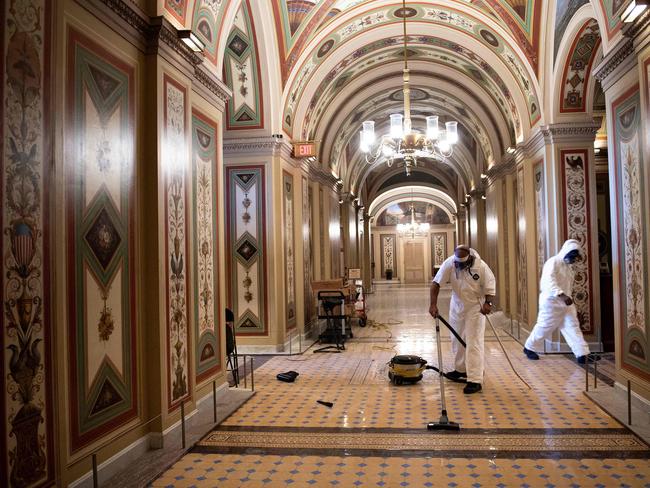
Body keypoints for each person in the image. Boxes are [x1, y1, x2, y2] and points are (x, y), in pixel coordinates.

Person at [429, 245, 496, 394]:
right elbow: (435, 284)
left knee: (474, 341)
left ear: (469, 260)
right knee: (456, 338)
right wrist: (433, 305)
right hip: (457, 305)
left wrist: (488, 303)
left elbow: (490, 288)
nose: (458, 266)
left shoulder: (481, 267)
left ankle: (475, 379)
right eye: (456, 263)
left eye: (461, 264)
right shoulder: (450, 263)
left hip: (475, 306)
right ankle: (461, 369)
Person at [523, 239, 596, 364]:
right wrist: (561, 295)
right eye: (572, 256)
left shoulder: (568, 267)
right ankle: (529, 348)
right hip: (551, 302)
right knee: (544, 326)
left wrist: (566, 297)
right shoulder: (553, 262)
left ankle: (582, 354)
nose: (573, 260)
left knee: (573, 327)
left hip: (566, 303)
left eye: (575, 257)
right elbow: (548, 281)